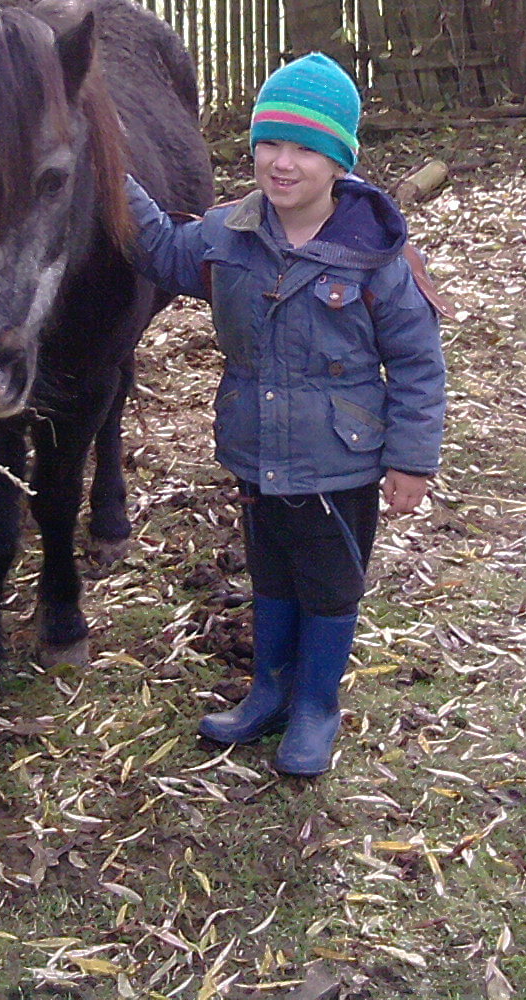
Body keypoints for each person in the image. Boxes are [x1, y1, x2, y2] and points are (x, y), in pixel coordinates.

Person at [125, 51, 446, 777]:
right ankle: (267, 691)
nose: (282, 162)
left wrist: (411, 460)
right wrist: (109, 169)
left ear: (339, 162)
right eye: (270, 142)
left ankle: (314, 705)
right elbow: (163, 252)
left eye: (305, 147)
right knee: (270, 572)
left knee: (329, 583)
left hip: (341, 460)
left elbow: (420, 363)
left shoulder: (377, 256)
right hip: (255, 449)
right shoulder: (227, 234)